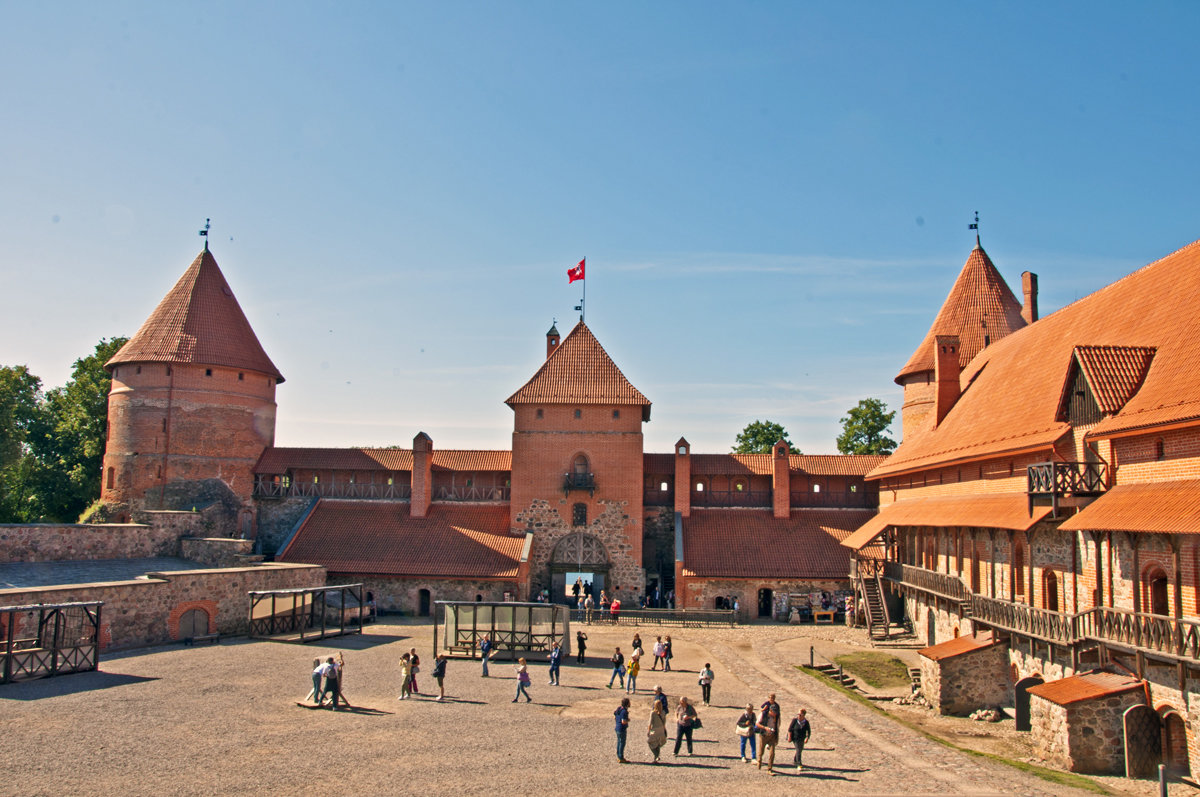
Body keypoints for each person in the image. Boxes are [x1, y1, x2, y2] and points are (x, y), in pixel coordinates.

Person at [757, 692, 781, 774]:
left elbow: (778, 725)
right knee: (761, 751)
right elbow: (757, 724)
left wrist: (776, 733)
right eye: (773, 712)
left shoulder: (777, 717)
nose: (774, 714)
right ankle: (759, 761)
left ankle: (769, 768)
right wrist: (765, 727)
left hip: (772, 736)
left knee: (772, 753)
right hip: (763, 735)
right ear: (770, 711)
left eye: (776, 712)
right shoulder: (763, 715)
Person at [647, 698, 668, 763]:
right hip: (661, 729)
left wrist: (648, 731)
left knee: (650, 742)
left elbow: (650, 723)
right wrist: (664, 730)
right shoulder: (663, 712)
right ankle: (657, 757)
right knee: (658, 744)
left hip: (655, 730)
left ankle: (655, 755)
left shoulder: (653, 713)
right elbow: (664, 722)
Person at [614, 697, 631, 763]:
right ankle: (621, 757)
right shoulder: (624, 711)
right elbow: (623, 721)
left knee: (619, 742)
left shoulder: (619, 709)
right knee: (622, 743)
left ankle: (619, 756)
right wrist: (628, 720)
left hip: (617, 728)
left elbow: (615, 716)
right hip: (622, 729)